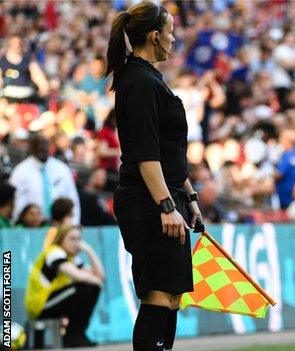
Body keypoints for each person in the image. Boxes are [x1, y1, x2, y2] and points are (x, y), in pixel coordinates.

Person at [103, 2, 202, 350]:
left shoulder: (148, 78)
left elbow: (167, 152)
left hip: (166, 195)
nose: (174, 39)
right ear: (154, 35)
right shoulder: (141, 82)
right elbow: (146, 155)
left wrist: (187, 197)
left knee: (172, 296)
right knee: (158, 295)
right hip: (148, 201)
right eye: (170, 31)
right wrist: (165, 205)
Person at [24, 225, 104, 347]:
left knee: (92, 287)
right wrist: (97, 281)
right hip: (39, 306)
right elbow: (78, 276)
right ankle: (73, 336)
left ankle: (77, 334)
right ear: (61, 239)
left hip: (55, 301)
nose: (76, 243)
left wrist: (89, 250)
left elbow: (100, 276)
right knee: (81, 287)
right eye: (72, 239)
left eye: (79, 239)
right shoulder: (54, 252)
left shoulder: (72, 258)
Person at [9, 134, 81, 224]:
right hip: (30, 227)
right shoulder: (20, 171)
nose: (42, 149)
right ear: (32, 148)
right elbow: (16, 202)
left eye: (45, 145)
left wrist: (74, 224)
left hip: (60, 225)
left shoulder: (62, 169)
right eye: (39, 146)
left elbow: (72, 199)